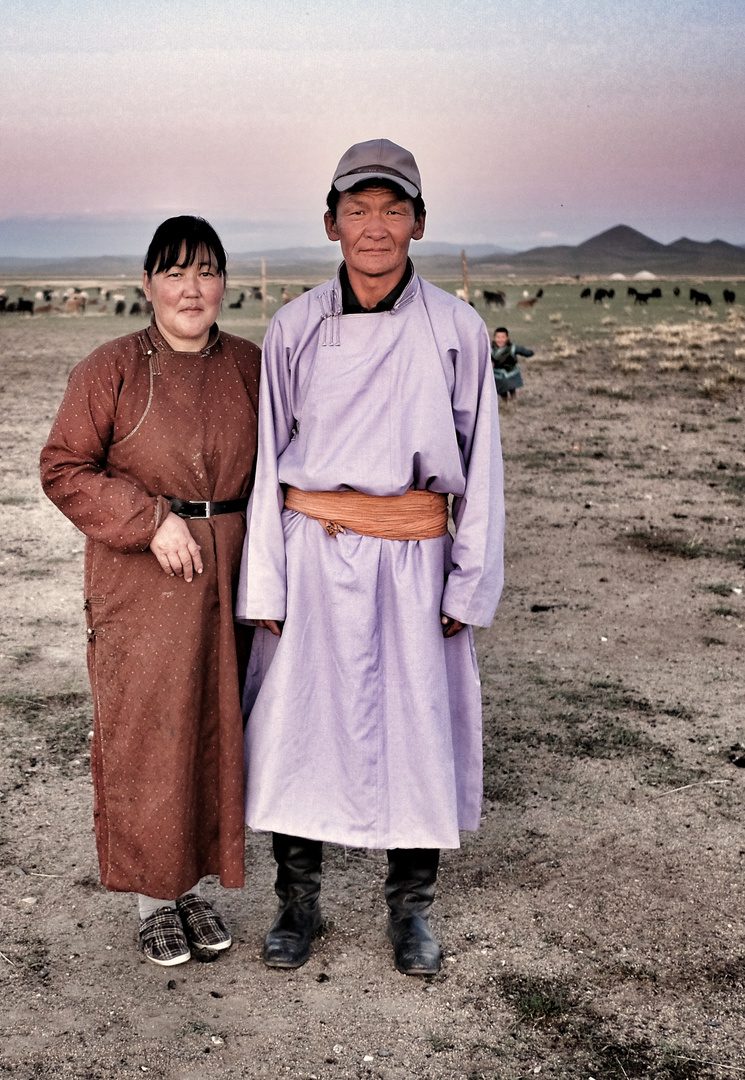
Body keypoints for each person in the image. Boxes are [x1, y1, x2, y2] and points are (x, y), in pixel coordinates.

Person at [235, 139, 506, 976]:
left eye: (393, 209)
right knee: (299, 724)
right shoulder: (293, 328)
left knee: (418, 725)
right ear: (331, 223)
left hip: (417, 555)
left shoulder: (458, 329)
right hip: (310, 551)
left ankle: (411, 909)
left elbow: (483, 467)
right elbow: (265, 464)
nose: (376, 226)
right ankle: (297, 903)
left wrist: (471, 577)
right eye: (359, 210)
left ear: (419, 223)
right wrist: (265, 580)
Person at [40, 216, 260, 967]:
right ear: (147, 284)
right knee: (149, 728)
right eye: (173, 272)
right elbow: (65, 467)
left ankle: (189, 885)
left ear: (225, 282)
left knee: (212, 727)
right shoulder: (111, 369)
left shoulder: (252, 366)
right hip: (145, 575)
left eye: (205, 271)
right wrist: (151, 520)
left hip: (230, 572)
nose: (190, 288)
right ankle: (150, 898)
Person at [491, 327, 532, 399]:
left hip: (510, 373)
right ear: (494, 338)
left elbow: (523, 351)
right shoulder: (490, 349)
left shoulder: (513, 348)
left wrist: (529, 353)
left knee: (511, 389)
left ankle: (513, 401)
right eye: (498, 337)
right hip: (498, 375)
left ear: (507, 338)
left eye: (503, 337)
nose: (500, 340)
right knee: (502, 391)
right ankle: (505, 404)